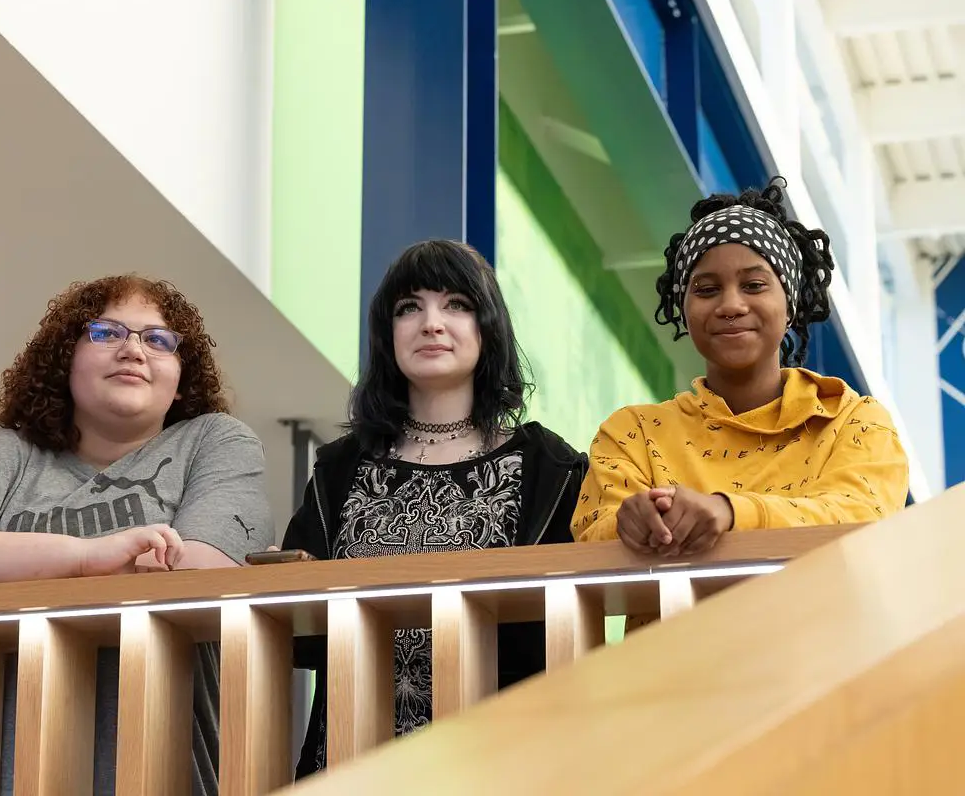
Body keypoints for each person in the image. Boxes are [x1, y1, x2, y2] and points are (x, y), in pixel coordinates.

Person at [0, 274, 272, 795]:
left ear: (180, 374)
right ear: (66, 357)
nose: (133, 350)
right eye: (106, 332)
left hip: (161, 771)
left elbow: (204, 572)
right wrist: (87, 557)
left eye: (157, 339)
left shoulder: (214, 440)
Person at [282, 239, 588, 778]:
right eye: (409, 307)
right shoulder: (338, 470)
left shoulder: (549, 468)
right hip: (355, 766)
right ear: (387, 335)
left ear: (487, 329)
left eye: (457, 304)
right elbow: (297, 630)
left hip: (501, 767)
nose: (431, 323)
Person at [571, 177, 909, 555]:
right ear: (684, 310)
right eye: (706, 290)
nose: (730, 305)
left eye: (754, 285)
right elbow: (593, 531)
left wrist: (729, 512)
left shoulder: (854, 422)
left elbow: (864, 517)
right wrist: (628, 523)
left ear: (790, 304)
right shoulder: (634, 433)